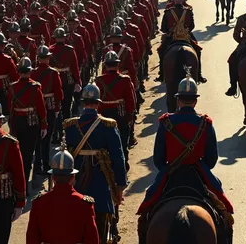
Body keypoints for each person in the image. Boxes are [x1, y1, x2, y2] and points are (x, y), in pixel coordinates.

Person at [137, 72, 234, 243]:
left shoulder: (165, 122)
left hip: (170, 171)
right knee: (224, 212)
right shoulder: (205, 123)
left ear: (178, 100)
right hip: (199, 171)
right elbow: (211, 160)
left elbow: (158, 160)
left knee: (145, 213)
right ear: (195, 100)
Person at [64, 82, 127, 244]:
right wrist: (120, 185)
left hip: (76, 185)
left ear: (83, 103)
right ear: (98, 104)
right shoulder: (108, 126)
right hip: (100, 185)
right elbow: (118, 158)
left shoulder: (70, 126)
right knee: (101, 230)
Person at [26, 140, 99, 244]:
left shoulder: (39, 203)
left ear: (53, 178)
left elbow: (32, 239)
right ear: (73, 178)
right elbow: (92, 240)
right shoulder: (85, 204)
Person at [0, 89, 26, 244]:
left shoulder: (10, 143)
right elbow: (18, 174)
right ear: (1, 120)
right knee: (0, 237)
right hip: (2, 197)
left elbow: (19, 174)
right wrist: (20, 202)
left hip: (2, 196)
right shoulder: (10, 143)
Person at [8, 56, 48, 190]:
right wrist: (44, 125)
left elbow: (10, 109)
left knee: (17, 153)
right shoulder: (35, 87)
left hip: (17, 122)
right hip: (31, 123)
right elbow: (41, 109)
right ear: (30, 72)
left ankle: (18, 182)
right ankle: (26, 181)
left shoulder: (12, 88)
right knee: (29, 153)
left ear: (19, 71)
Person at [155, 0, 206, 83]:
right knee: (197, 51)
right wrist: (185, 30)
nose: (178, 1)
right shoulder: (188, 11)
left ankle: (162, 74)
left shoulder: (168, 12)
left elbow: (163, 28)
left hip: (171, 37)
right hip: (186, 36)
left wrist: (170, 31)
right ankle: (198, 75)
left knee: (162, 51)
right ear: (174, 0)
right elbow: (192, 26)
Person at [95, 51, 136, 167]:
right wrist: (130, 115)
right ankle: (123, 164)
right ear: (118, 65)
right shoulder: (125, 79)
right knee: (123, 140)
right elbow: (130, 100)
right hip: (120, 113)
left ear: (105, 65)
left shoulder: (99, 80)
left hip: (104, 114)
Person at [31, 41, 64, 175]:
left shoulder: (33, 73)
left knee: (37, 139)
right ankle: (45, 164)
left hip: (35, 109)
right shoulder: (53, 73)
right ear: (48, 58)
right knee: (47, 137)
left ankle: (37, 165)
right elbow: (59, 93)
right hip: (49, 106)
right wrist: (57, 108)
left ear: (38, 58)